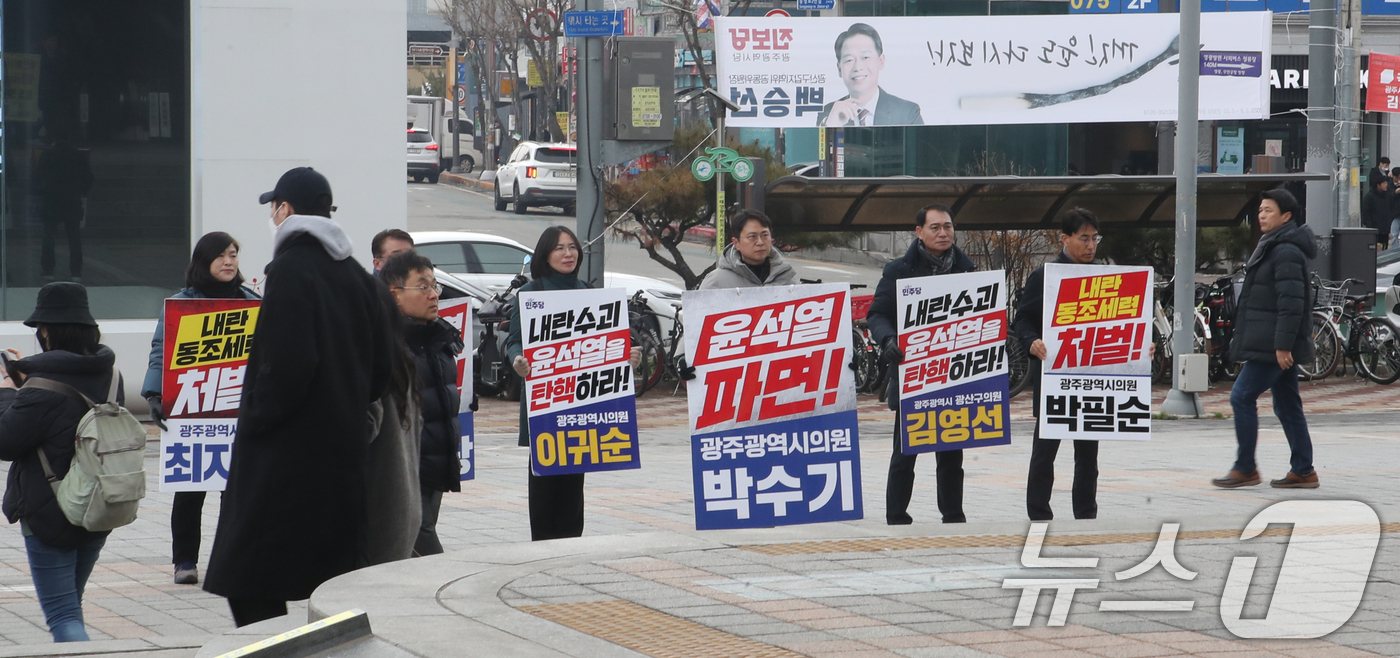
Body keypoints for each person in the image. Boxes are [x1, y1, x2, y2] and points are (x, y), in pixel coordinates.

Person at [203, 167, 395, 627]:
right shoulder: (357, 275)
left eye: (274, 207)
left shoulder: (288, 269)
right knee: (329, 585)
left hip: (283, 457)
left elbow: (286, 365)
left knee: (248, 578)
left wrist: (254, 420)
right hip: (342, 455)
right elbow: (380, 371)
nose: (272, 216)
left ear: (285, 210)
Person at [0, 282, 119, 642]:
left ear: (47, 331)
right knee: (72, 605)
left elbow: (6, 440)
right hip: (99, 506)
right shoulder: (110, 374)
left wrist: (7, 387)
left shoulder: (41, 386)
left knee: (64, 617)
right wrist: (25, 386)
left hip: (50, 510)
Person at [506, 226, 641, 541]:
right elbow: (513, 342)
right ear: (545, 254)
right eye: (559, 248)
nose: (568, 254)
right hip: (545, 402)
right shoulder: (530, 294)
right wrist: (517, 361)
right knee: (543, 485)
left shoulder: (590, 293)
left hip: (582, 403)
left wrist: (627, 358)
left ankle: (569, 548)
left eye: (572, 247)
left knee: (573, 485)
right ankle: (541, 548)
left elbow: (607, 349)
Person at [141, 233, 260, 586]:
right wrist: (153, 394)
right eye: (221, 255)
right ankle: (185, 562)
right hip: (193, 407)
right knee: (190, 489)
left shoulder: (253, 302)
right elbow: (160, 351)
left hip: (238, 410)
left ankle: (229, 559)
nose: (229, 261)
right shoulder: (180, 304)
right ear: (202, 261)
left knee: (235, 492)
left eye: (234, 254)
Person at [866, 204, 977, 525]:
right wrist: (888, 341)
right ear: (918, 233)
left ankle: (953, 515)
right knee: (906, 451)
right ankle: (896, 514)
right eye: (935, 228)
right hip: (914, 371)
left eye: (948, 227)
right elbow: (877, 314)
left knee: (952, 452)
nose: (943, 233)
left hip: (954, 374)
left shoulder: (967, 272)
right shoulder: (899, 270)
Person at [1213, 189, 1319, 490]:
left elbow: (1292, 302)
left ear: (1286, 216)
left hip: (1274, 345)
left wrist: (1283, 346)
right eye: (1260, 210)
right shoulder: (1273, 245)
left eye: (1268, 210)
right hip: (1271, 341)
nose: (1261, 215)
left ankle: (1245, 467)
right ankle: (1304, 470)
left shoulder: (1285, 250)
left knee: (1241, 396)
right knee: (1287, 405)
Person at [1015, 208, 1103, 521]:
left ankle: (1086, 513)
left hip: (1092, 378)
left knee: (1088, 453)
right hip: (1056, 377)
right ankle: (1039, 512)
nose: (1091, 245)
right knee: (1045, 451)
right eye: (1084, 238)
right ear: (1065, 239)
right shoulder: (1047, 275)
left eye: (1095, 238)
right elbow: (1022, 318)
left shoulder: (1104, 276)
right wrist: (1031, 342)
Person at [379, 251, 464, 556]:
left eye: (435, 286)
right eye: (423, 286)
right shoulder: (385, 345)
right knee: (425, 547)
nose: (433, 295)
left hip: (435, 464)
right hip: (402, 468)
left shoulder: (440, 339)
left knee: (413, 548)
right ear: (395, 296)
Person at [363, 304, 422, 566]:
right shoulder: (400, 358)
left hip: (378, 511)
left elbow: (363, 428)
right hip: (405, 504)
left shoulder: (367, 365)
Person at [817, 23, 923, 127]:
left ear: (881, 61)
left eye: (865, 57)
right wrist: (831, 126)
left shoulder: (907, 113)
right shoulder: (828, 113)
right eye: (849, 60)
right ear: (839, 68)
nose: (858, 67)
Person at [36, 134, 94, 283]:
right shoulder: (78, 155)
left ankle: (48, 270)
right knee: (74, 237)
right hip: (72, 200)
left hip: (51, 199)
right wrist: (81, 192)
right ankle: (76, 272)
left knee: (49, 236)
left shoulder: (47, 154)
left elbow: (37, 176)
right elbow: (89, 178)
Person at [699, 210, 797, 289]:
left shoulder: (786, 279)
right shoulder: (716, 283)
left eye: (765, 235)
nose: (760, 242)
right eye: (752, 237)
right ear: (736, 243)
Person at [1363, 178, 1391, 249]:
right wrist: (1370, 227)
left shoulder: (1387, 196)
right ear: (1378, 185)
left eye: (1386, 183)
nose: (1386, 185)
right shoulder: (1370, 196)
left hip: (1385, 230)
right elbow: (1366, 213)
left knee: (1384, 250)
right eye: (1384, 183)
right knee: (1374, 249)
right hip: (1374, 229)